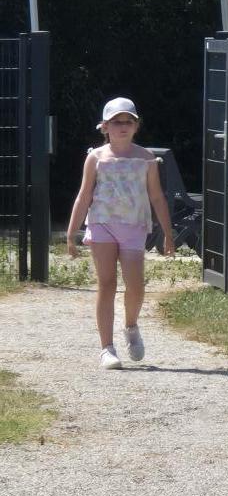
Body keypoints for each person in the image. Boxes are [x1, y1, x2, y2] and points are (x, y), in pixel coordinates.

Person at [66, 97, 175, 369]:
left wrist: (168, 233)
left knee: (135, 285)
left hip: (134, 227)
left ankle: (131, 326)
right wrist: (71, 232)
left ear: (136, 126)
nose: (123, 126)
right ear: (105, 127)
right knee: (107, 284)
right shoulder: (96, 157)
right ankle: (107, 348)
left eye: (128, 121)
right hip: (102, 223)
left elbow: (157, 197)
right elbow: (84, 195)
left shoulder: (146, 159)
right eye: (116, 122)